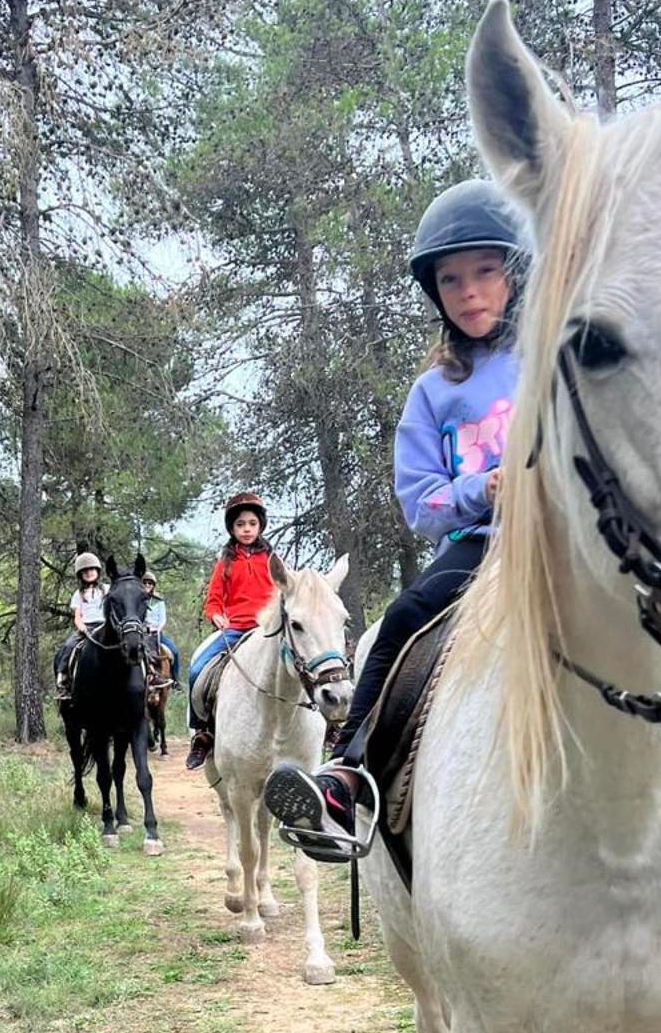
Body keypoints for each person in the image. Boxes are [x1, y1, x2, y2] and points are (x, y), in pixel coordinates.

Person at [263, 180, 527, 855]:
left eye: (485, 272)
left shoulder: (555, 359)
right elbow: (420, 503)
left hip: (575, 536)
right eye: (452, 279)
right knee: (405, 618)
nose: (469, 291)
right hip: (482, 545)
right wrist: (481, 491)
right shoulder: (435, 391)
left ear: (514, 274)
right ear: (435, 292)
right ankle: (346, 774)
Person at [185, 492, 277, 770]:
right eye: (240, 524)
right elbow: (213, 599)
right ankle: (202, 733)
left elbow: (285, 591)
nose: (246, 529)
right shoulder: (224, 562)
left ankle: (327, 724)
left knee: (302, 662)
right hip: (235, 629)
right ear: (232, 528)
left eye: (251, 523)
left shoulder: (273, 560)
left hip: (269, 629)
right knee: (197, 670)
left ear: (260, 525)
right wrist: (216, 616)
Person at [55, 550, 105, 702]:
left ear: (97, 570)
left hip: (105, 626)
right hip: (87, 628)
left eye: (91, 569)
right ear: (80, 574)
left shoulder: (106, 589)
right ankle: (63, 679)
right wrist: (82, 627)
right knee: (68, 646)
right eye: (85, 571)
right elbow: (77, 617)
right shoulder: (78, 594)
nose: (89, 573)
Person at [142, 573, 179, 684]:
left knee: (174, 652)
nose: (147, 585)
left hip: (156, 633)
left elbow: (163, 619)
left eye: (150, 583)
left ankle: (175, 680)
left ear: (153, 585)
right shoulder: (137, 599)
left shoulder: (159, 601)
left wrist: (158, 628)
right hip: (142, 634)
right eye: (145, 583)